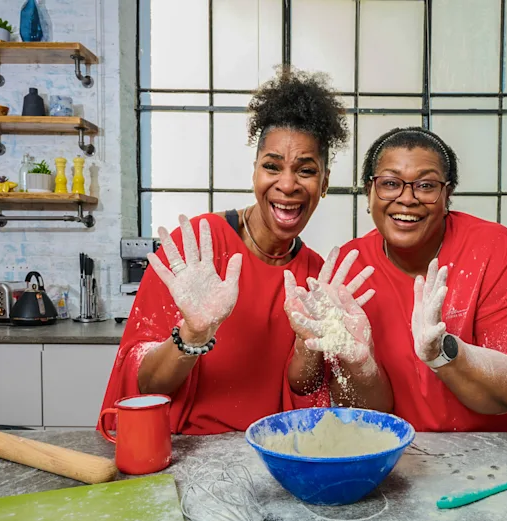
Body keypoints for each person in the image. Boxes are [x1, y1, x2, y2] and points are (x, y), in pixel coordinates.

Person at [99, 68, 360, 435]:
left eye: (305, 170)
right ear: (255, 172)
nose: (287, 184)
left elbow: (305, 391)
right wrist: (193, 333)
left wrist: (310, 343)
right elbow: (145, 386)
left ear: (324, 183)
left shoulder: (315, 276)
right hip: (185, 452)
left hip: (275, 454)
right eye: (272, 166)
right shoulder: (196, 248)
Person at [286, 126, 507, 432]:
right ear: (369, 191)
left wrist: (445, 352)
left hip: (501, 460)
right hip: (406, 460)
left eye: (426, 186)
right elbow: (370, 414)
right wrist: (361, 366)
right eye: (390, 183)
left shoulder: (493, 250)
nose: (407, 199)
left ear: (447, 193)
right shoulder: (351, 272)